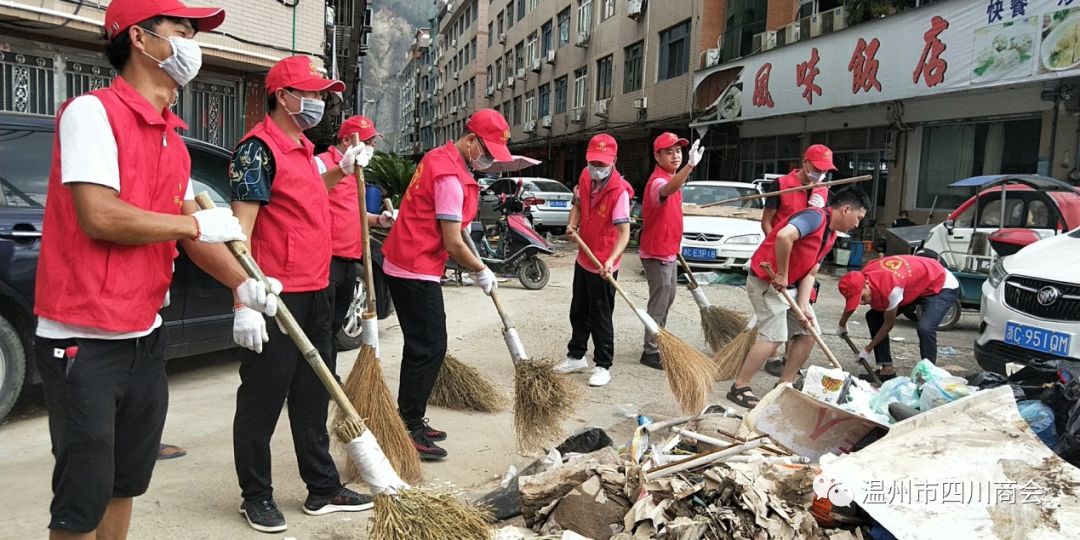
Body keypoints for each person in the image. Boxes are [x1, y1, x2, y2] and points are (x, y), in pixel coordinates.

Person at [32, 1, 279, 538]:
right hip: (83, 340)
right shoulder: (91, 113)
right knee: (82, 495)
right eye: (183, 31)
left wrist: (247, 286)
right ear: (140, 40)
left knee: (126, 482)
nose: (194, 44)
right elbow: (100, 215)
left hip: (145, 335)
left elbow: (198, 233)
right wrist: (194, 227)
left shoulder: (173, 138)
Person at [228, 55, 372, 533]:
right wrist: (242, 299)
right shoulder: (257, 150)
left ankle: (322, 488)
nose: (318, 102)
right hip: (276, 295)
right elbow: (239, 233)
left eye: (321, 94)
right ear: (282, 97)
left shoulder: (302, 146)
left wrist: (344, 168)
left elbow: (310, 191)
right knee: (262, 400)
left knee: (313, 394)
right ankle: (256, 495)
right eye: (309, 94)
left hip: (316, 289)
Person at [382, 108, 511, 460]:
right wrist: (480, 270)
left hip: (408, 258)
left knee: (424, 345)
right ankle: (407, 426)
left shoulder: (441, 157)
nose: (487, 161)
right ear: (471, 141)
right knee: (429, 347)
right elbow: (453, 242)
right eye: (486, 152)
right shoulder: (450, 176)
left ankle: (412, 416)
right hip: (414, 265)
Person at [726, 187, 871, 409]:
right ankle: (739, 386)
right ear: (846, 209)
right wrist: (782, 273)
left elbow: (810, 273)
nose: (857, 224)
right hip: (766, 280)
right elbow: (785, 236)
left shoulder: (830, 235)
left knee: (809, 331)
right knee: (774, 336)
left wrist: (803, 307)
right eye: (858, 218)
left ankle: (785, 382)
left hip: (791, 286)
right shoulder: (813, 217)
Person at [555, 134, 635, 387]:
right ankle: (576, 356)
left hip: (604, 263)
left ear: (614, 161)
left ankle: (603, 365)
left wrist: (611, 260)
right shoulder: (584, 177)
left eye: (602, 165)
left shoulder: (620, 192)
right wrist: (572, 223)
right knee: (578, 310)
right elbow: (577, 205)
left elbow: (624, 233)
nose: (597, 169)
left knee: (600, 315)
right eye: (594, 163)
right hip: (584, 256)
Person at [313, 115, 393, 360]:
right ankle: (313, 382)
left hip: (351, 258)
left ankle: (329, 375)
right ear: (348, 140)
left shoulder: (358, 170)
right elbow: (311, 193)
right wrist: (341, 170)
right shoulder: (322, 163)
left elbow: (354, 211)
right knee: (320, 326)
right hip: (326, 259)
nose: (371, 148)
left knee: (336, 324)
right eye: (367, 142)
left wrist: (379, 220)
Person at [761, 144, 836, 377]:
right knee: (775, 309)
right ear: (805, 162)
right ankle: (770, 356)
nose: (820, 173)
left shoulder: (824, 190)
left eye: (825, 170)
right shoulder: (781, 185)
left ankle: (787, 358)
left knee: (799, 311)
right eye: (816, 168)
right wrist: (776, 248)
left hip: (805, 263)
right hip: (779, 256)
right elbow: (766, 222)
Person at [837, 255, 961, 380]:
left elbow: (888, 324)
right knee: (873, 316)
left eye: (862, 298)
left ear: (866, 283)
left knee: (925, 328)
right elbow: (853, 300)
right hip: (916, 283)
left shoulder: (892, 288)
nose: (862, 303)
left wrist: (867, 349)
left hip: (941, 284)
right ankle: (887, 370)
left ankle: (928, 376)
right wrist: (842, 324)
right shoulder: (863, 276)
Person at [638, 133, 703, 370]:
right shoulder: (658, 181)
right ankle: (651, 350)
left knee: (668, 299)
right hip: (656, 252)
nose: (675, 155)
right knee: (659, 302)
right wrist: (690, 165)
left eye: (678, 151)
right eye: (669, 152)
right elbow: (667, 189)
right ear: (657, 156)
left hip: (669, 250)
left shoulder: (671, 176)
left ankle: (658, 340)